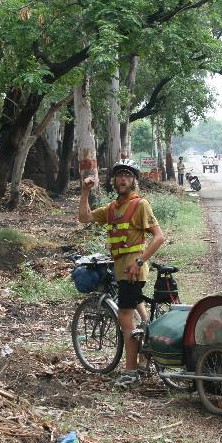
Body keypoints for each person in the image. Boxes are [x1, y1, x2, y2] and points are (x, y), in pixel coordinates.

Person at [78, 159, 166, 388]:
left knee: (124, 316)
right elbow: (84, 218)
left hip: (133, 270)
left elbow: (159, 237)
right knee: (137, 310)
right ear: (114, 181)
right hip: (120, 268)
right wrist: (85, 191)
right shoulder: (111, 208)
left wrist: (139, 261)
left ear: (134, 180)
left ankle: (130, 371)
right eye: (119, 175)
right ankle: (145, 354)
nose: (123, 179)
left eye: (127, 175)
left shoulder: (140, 205)